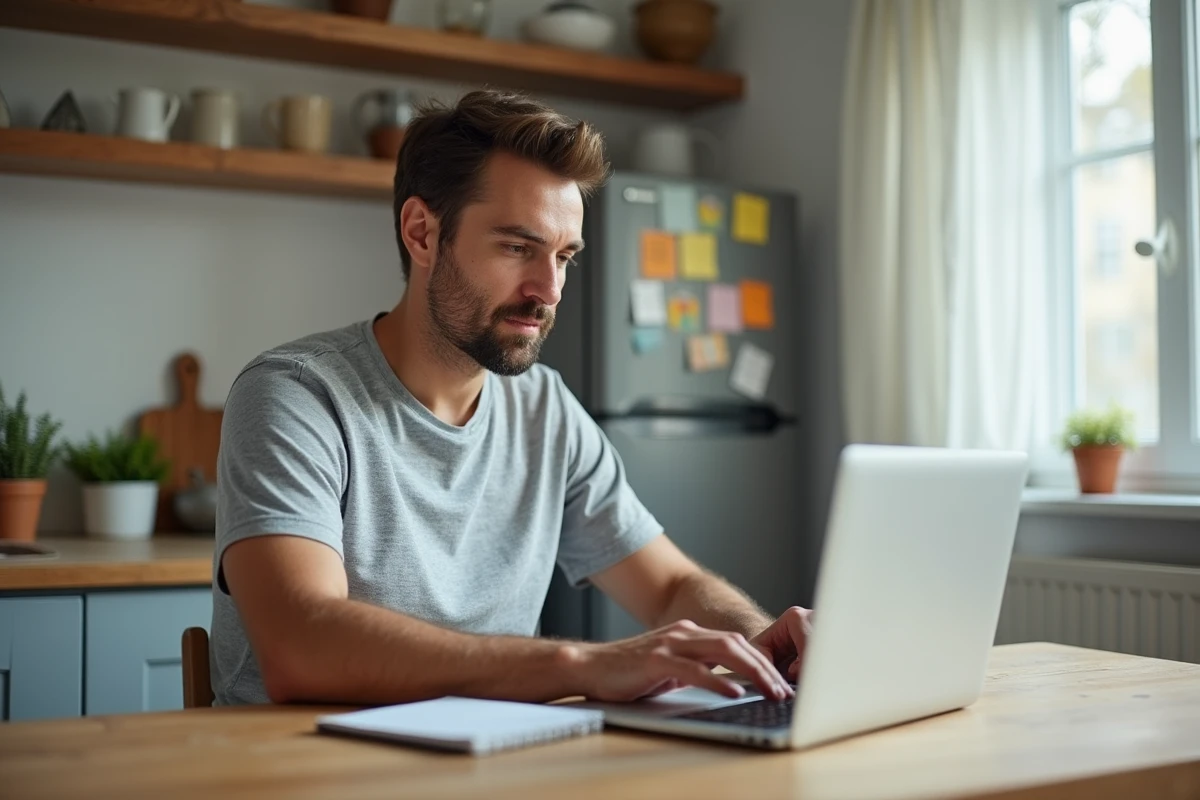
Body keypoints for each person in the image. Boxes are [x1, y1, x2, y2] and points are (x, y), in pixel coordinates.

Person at [211, 89, 812, 707]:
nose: (548, 290)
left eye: (564, 256)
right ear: (422, 234)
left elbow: (669, 587)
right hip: (303, 754)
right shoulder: (296, 396)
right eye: (517, 248)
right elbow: (301, 645)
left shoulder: (545, 410)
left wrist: (763, 642)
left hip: (492, 752)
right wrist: (582, 664)